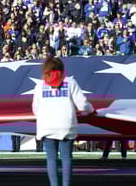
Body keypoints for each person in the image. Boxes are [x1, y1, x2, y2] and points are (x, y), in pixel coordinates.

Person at [32, 57, 94, 186]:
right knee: (66, 158)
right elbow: (82, 104)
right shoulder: (70, 82)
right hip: (66, 125)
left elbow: (35, 109)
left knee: (51, 158)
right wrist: (91, 110)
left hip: (47, 126)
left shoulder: (40, 85)